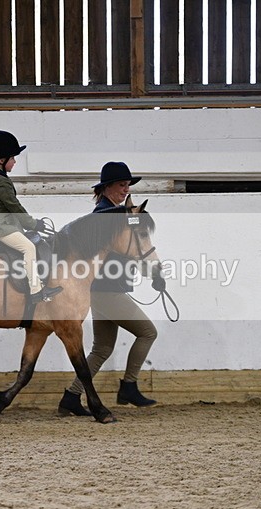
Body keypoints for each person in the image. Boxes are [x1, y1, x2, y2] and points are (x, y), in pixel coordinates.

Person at [58, 161, 162, 416]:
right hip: (107, 291)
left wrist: (152, 273)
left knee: (102, 348)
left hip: (102, 291)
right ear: (106, 188)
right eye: (121, 185)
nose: (126, 190)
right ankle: (129, 386)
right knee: (148, 332)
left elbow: (133, 247)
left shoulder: (113, 215)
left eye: (127, 185)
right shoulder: (106, 218)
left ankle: (71, 397)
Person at [0, 130, 62, 304]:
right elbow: (14, 207)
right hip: (0, 226)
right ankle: (36, 290)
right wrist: (33, 224)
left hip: (1, 223)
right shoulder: (0, 182)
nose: (15, 162)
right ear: (1, 160)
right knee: (28, 248)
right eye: (12, 158)